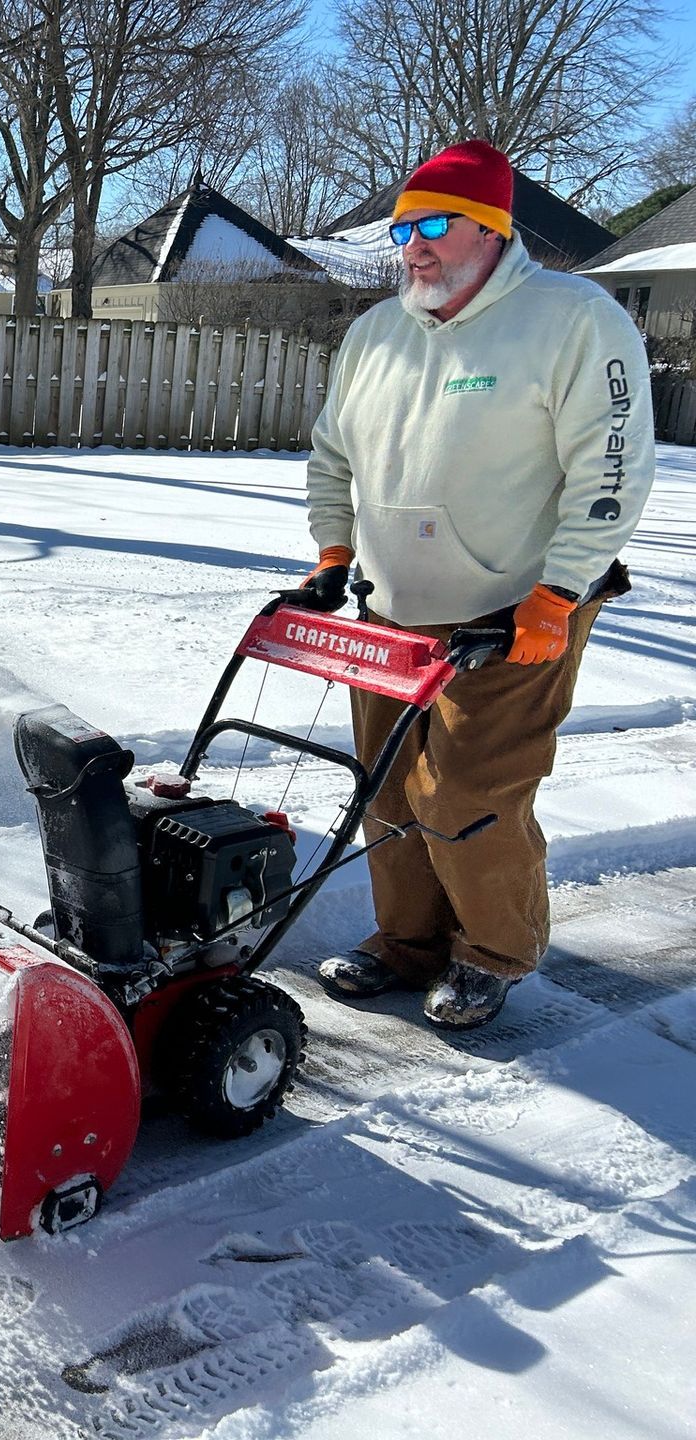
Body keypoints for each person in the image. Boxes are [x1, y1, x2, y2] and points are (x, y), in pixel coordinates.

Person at [295, 138, 655, 1031]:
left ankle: (493, 952)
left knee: (464, 790)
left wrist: (559, 591)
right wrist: (334, 554)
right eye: (400, 228)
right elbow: (332, 454)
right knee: (383, 787)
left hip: (518, 610)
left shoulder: (572, 319)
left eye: (431, 226)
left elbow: (611, 469)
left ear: (491, 230)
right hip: (392, 605)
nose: (409, 245)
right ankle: (405, 942)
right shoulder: (377, 332)